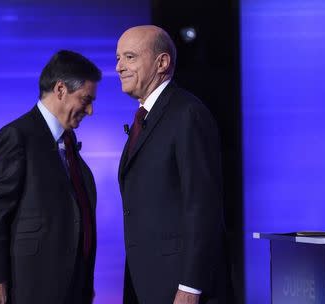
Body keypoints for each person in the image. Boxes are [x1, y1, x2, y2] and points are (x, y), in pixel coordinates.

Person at [0, 50, 101, 304]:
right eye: (85, 99)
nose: (90, 111)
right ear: (61, 89)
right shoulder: (17, 136)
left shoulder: (68, 143)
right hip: (27, 288)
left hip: (71, 288)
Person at [116, 25, 227, 304]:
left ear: (162, 62)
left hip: (179, 287)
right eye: (118, 58)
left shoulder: (186, 114)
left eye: (129, 57)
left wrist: (190, 286)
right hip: (146, 282)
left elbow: (202, 205)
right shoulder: (147, 117)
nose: (119, 67)